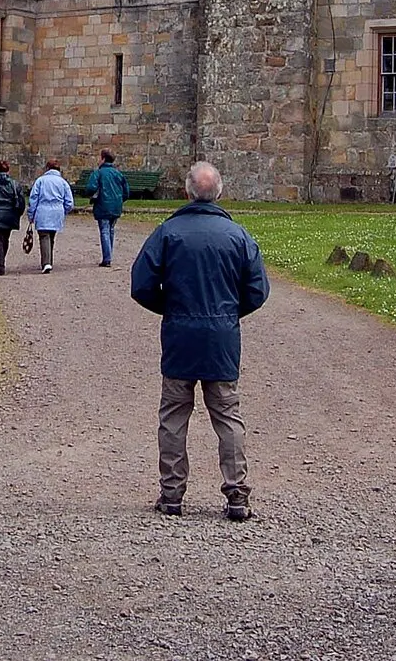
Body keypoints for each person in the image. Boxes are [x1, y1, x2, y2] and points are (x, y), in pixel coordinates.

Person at [129, 161, 269, 521]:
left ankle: (172, 494)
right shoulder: (238, 236)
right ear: (218, 193)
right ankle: (236, 494)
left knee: (174, 416)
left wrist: (171, 308)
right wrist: (228, 313)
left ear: (187, 192)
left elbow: (141, 285)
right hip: (221, 336)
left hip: (180, 335)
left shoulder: (168, 233)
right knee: (227, 415)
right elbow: (258, 289)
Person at [82, 148, 129, 268]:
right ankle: (109, 255)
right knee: (111, 230)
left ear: (103, 159)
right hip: (116, 206)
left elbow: (91, 188)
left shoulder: (98, 173)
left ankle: (107, 258)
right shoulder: (118, 174)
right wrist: (119, 200)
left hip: (103, 205)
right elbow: (126, 192)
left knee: (104, 230)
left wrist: (90, 195)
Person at [26, 159, 74, 274]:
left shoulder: (40, 181)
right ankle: (49, 261)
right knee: (51, 236)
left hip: (43, 211)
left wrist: (31, 214)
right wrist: (63, 211)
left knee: (44, 236)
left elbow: (33, 199)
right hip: (57, 212)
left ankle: (46, 262)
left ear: (47, 168)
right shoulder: (63, 182)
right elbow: (69, 202)